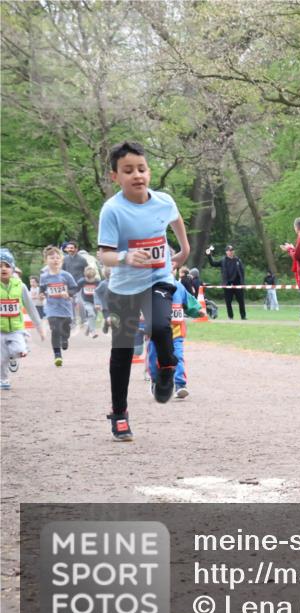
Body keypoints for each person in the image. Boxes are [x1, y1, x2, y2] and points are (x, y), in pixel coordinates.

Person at [97, 140, 191, 441]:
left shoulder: (163, 201)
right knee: (122, 351)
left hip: (159, 278)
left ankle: (165, 370)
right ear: (115, 176)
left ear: (149, 172)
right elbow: (105, 255)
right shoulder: (112, 210)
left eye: (141, 169)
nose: (136, 175)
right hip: (124, 288)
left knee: (160, 326)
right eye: (128, 170)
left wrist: (184, 249)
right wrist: (126, 257)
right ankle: (120, 413)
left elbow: (175, 219)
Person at [0, 249, 45, 390]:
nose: (3, 269)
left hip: (16, 328)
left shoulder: (21, 286)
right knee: (1, 358)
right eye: (0, 266)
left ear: (12, 268)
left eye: (6, 265)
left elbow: (31, 308)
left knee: (17, 350)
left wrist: (40, 327)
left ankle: (14, 356)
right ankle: (4, 379)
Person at [146, 275, 192, 399]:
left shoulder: (180, 287)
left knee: (178, 357)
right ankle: (155, 380)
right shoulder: (150, 286)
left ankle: (180, 385)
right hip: (157, 334)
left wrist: (198, 310)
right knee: (153, 357)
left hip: (176, 333)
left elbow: (190, 302)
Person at [39, 245, 78, 366]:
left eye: (57, 258)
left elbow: (74, 288)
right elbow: (42, 288)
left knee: (65, 328)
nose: (55, 260)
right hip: (52, 308)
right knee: (55, 329)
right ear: (46, 260)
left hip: (66, 308)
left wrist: (68, 293)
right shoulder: (44, 276)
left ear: (61, 260)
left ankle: (65, 338)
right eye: (52, 258)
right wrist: (41, 294)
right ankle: (57, 354)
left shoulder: (66, 275)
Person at [206, 244, 246, 320]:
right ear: (226, 252)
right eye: (229, 250)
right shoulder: (223, 260)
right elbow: (213, 263)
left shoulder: (238, 260)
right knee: (228, 302)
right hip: (227, 284)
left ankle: (243, 316)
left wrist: (242, 282)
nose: (231, 252)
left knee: (241, 301)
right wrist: (209, 255)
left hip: (237, 284)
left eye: (232, 250)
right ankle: (230, 317)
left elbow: (242, 271)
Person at [60, 240, 88, 330]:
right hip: (69, 285)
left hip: (79, 284)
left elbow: (86, 271)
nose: (70, 249)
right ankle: (73, 321)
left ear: (76, 249)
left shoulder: (82, 260)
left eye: (72, 248)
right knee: (70, 303)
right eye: (68, 248)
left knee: (80, 302)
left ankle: (84, 321)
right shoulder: (64, 259)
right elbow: (62, 272)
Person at [79, 266, 101, 338]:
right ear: (85, 276)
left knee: (93, 317)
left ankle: (87, 330)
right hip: (86, 301)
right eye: (88, 279)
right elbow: (75, 288)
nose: (90, 281)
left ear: (94, 276)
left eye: (91, 279)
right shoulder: (82, 281)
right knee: (92, 314)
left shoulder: (97, 282)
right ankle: (93, 332)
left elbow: (100, 292)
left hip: (96, 302)